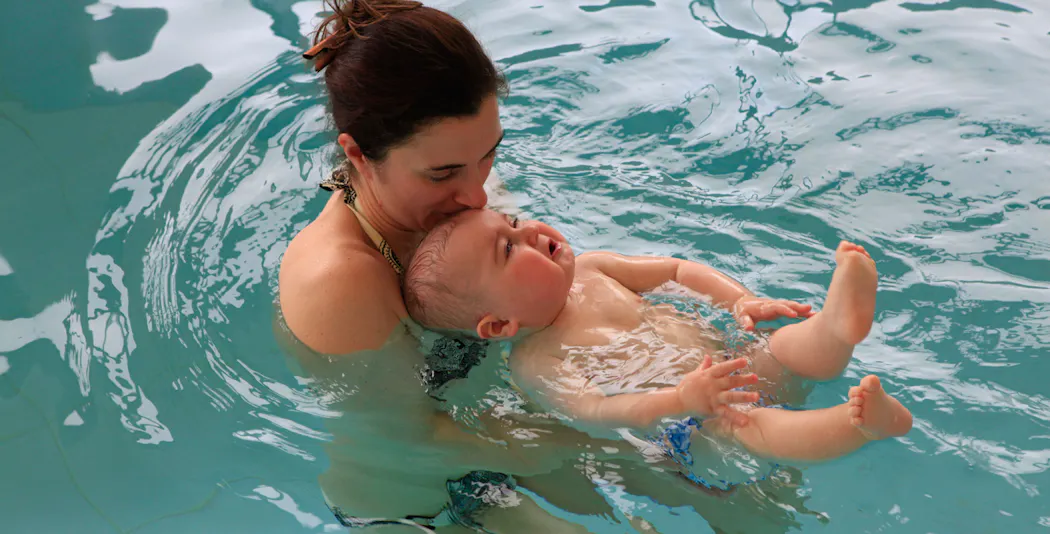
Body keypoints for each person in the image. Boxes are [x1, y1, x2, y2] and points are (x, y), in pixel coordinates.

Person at [278, 1, 618, 531]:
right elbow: (409, 437)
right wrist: (620, 438)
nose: (479, 192)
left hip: (498, 439)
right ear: (359, 155)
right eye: (443, 173)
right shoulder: (339, 281)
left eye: (489, 155)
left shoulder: (463, 202)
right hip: (417, 504)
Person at [402, 209, 913, 468]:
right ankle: (860, 425)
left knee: (780, 348)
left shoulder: (596, 267)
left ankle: (837, 328)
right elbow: (597, 412)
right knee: (749, 429)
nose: (531, 231)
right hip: (697, 417)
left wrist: (739, 300)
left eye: (512, 222)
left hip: (731, 360)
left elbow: (676, 269)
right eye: (510, 250)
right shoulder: (533, 364)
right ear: (498, 326)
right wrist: (679, 399)